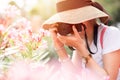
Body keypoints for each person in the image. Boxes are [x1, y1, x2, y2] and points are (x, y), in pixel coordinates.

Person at [42, 0, 120, 80]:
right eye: (67, 20)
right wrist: (60, 48)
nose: (71, 23)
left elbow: (109, 78)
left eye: (75, 18)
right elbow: (73, 77)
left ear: (90, 17)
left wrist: (81, 48)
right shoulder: (81, 38)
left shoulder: (110, 34)